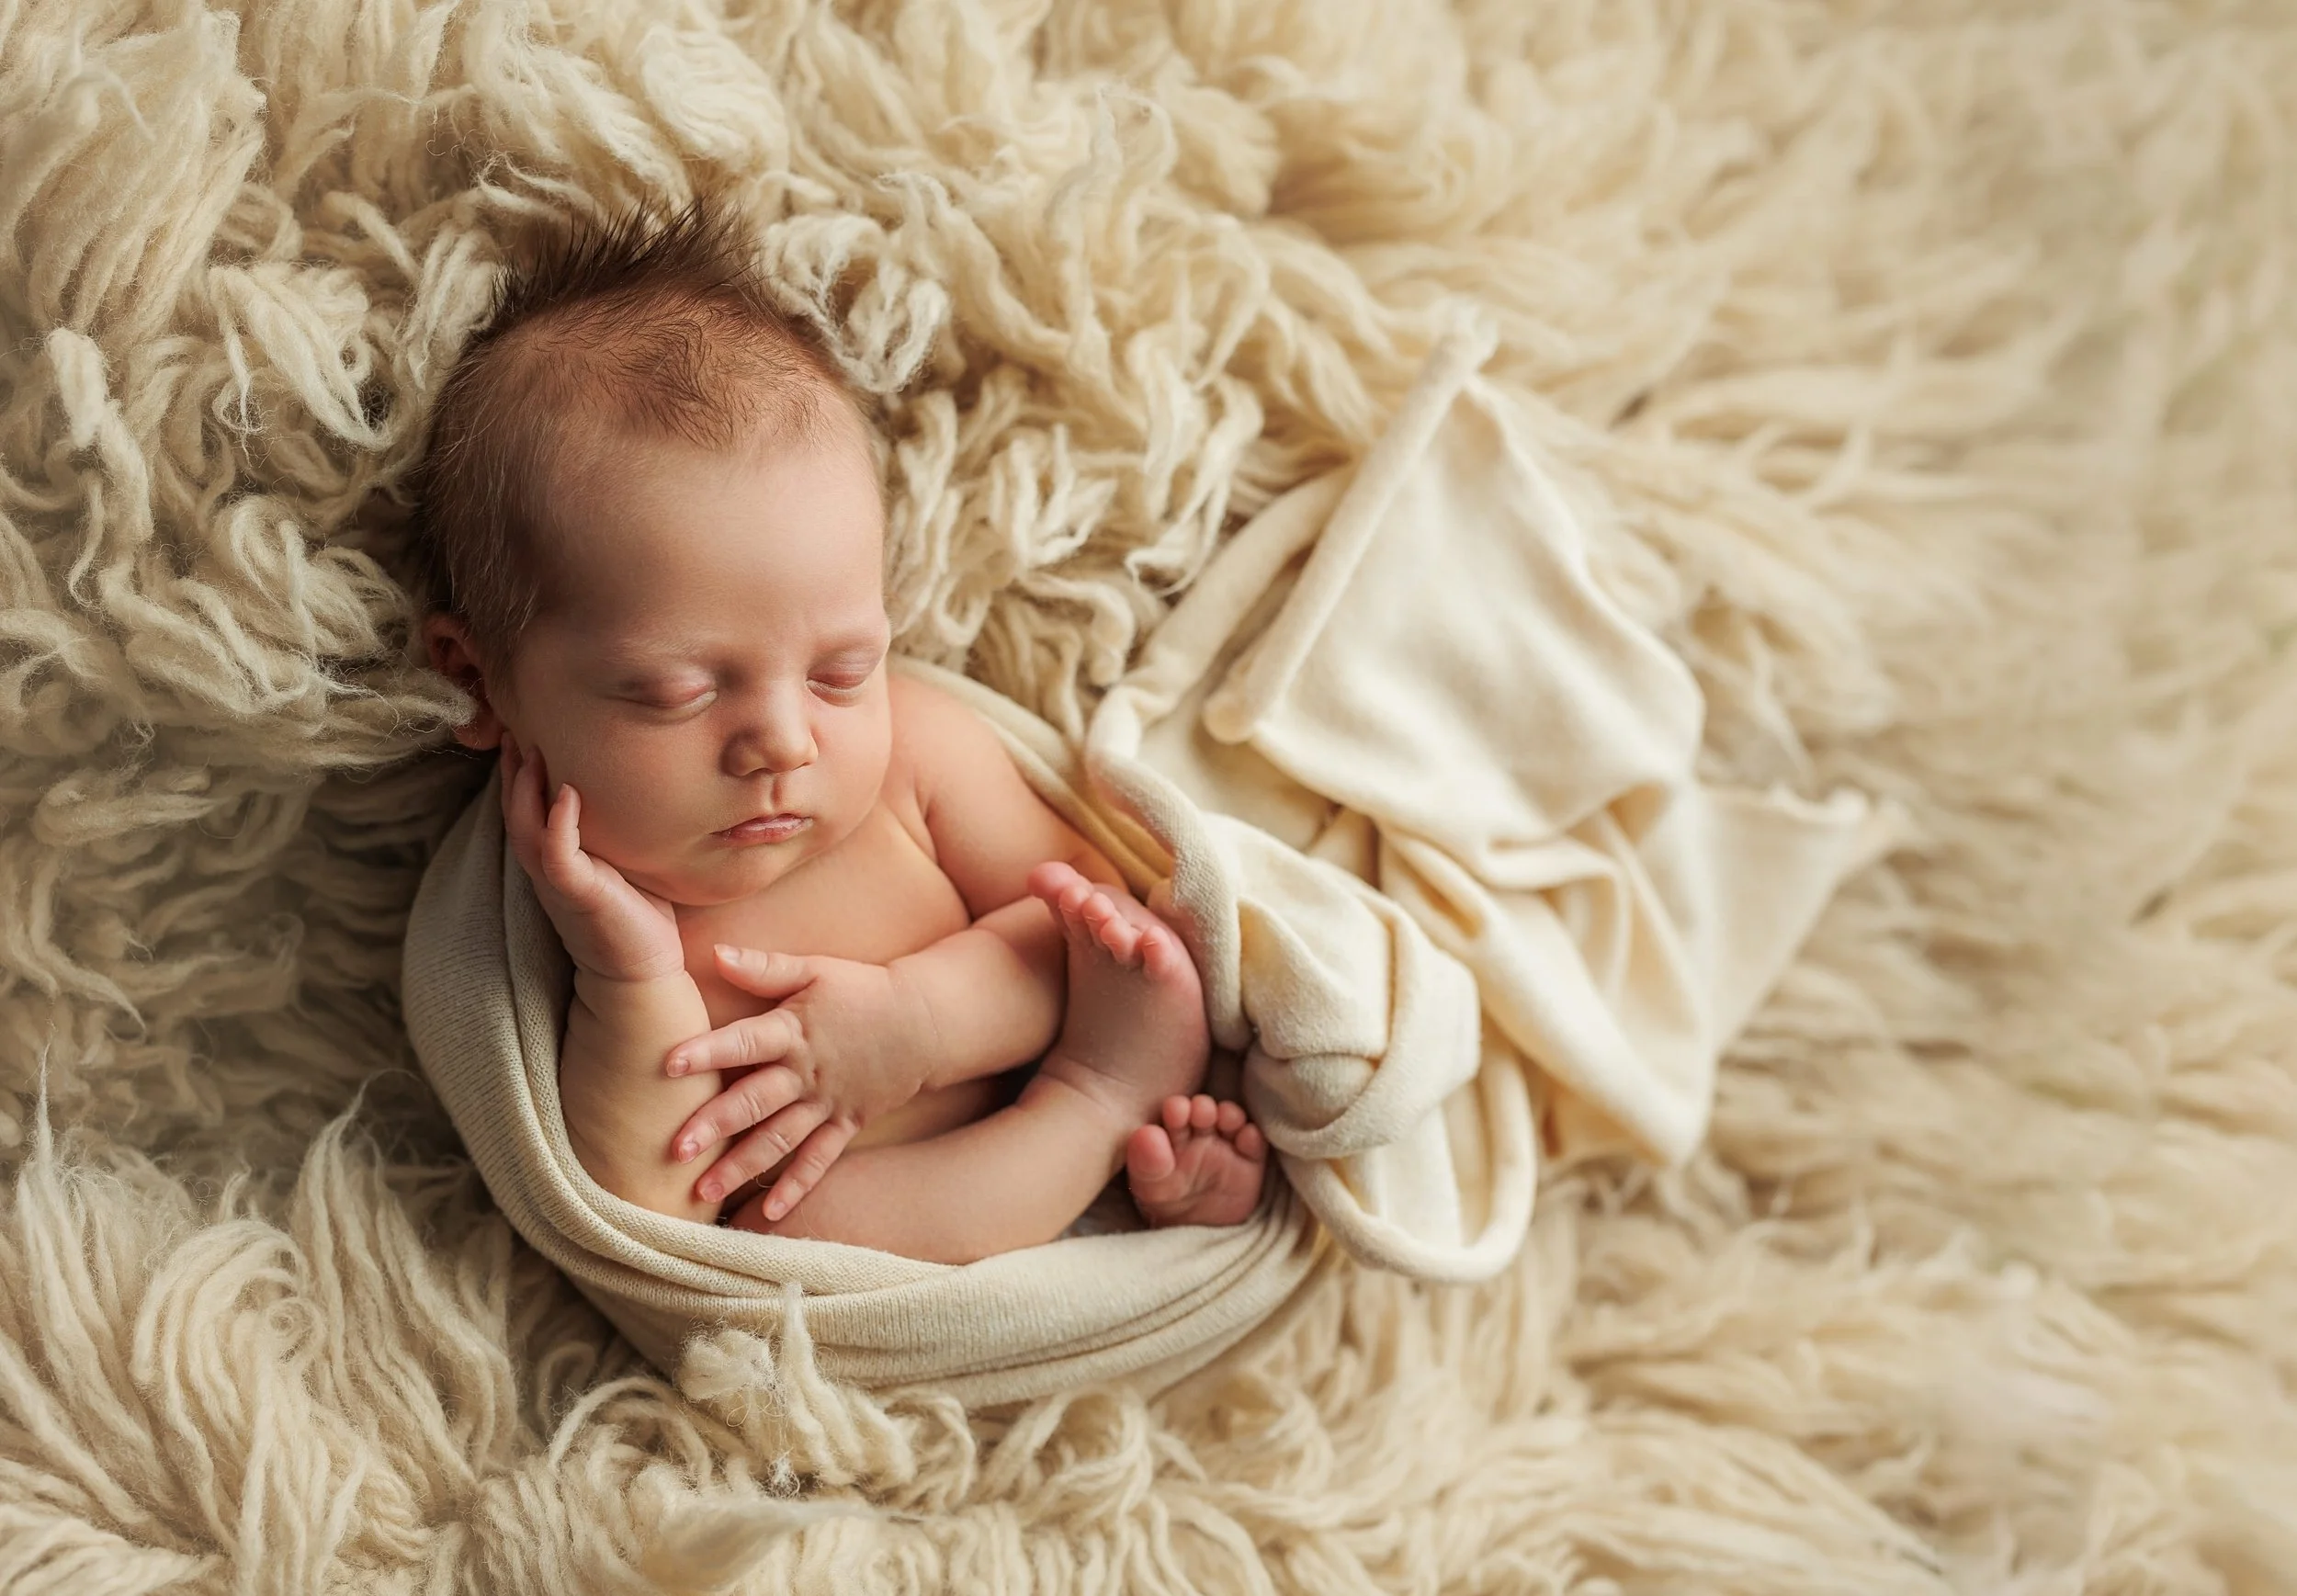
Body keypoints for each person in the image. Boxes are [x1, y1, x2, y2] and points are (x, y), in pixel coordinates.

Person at [407, 198, 1266, 1263]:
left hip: (1061, 1068)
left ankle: (1111, 1104)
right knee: (790, 1233)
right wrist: (630, 978)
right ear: (481, 683)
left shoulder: (916, 750)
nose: (783, 742)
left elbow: (1095, 930)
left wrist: (918, 1024)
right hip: (877, 1230)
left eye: (839, 671)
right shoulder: (580, 921)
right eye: (678, 691)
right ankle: (1099, 1120)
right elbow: (653, 1219)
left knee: (1132, 996)